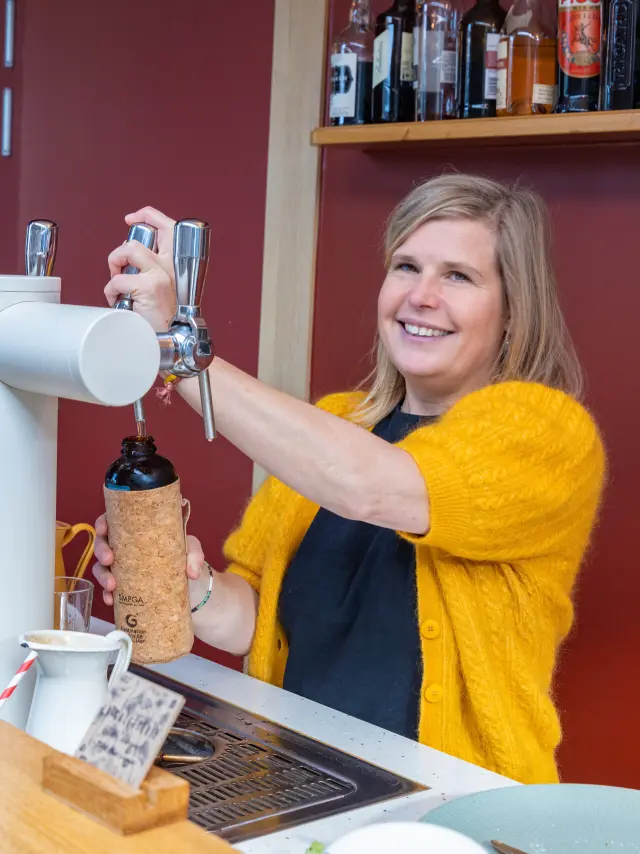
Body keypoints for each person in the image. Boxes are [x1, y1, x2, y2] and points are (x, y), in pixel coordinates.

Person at [93, 174, 605, 785]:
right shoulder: (336, 422)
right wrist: (187, 581)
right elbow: (256, 620)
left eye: (458, 276)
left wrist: (181, 352)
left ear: (514, 309)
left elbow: (370, 486)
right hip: (306, 782)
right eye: (406, 266)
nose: (421, 295)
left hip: (460, 806)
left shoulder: (546, 433)